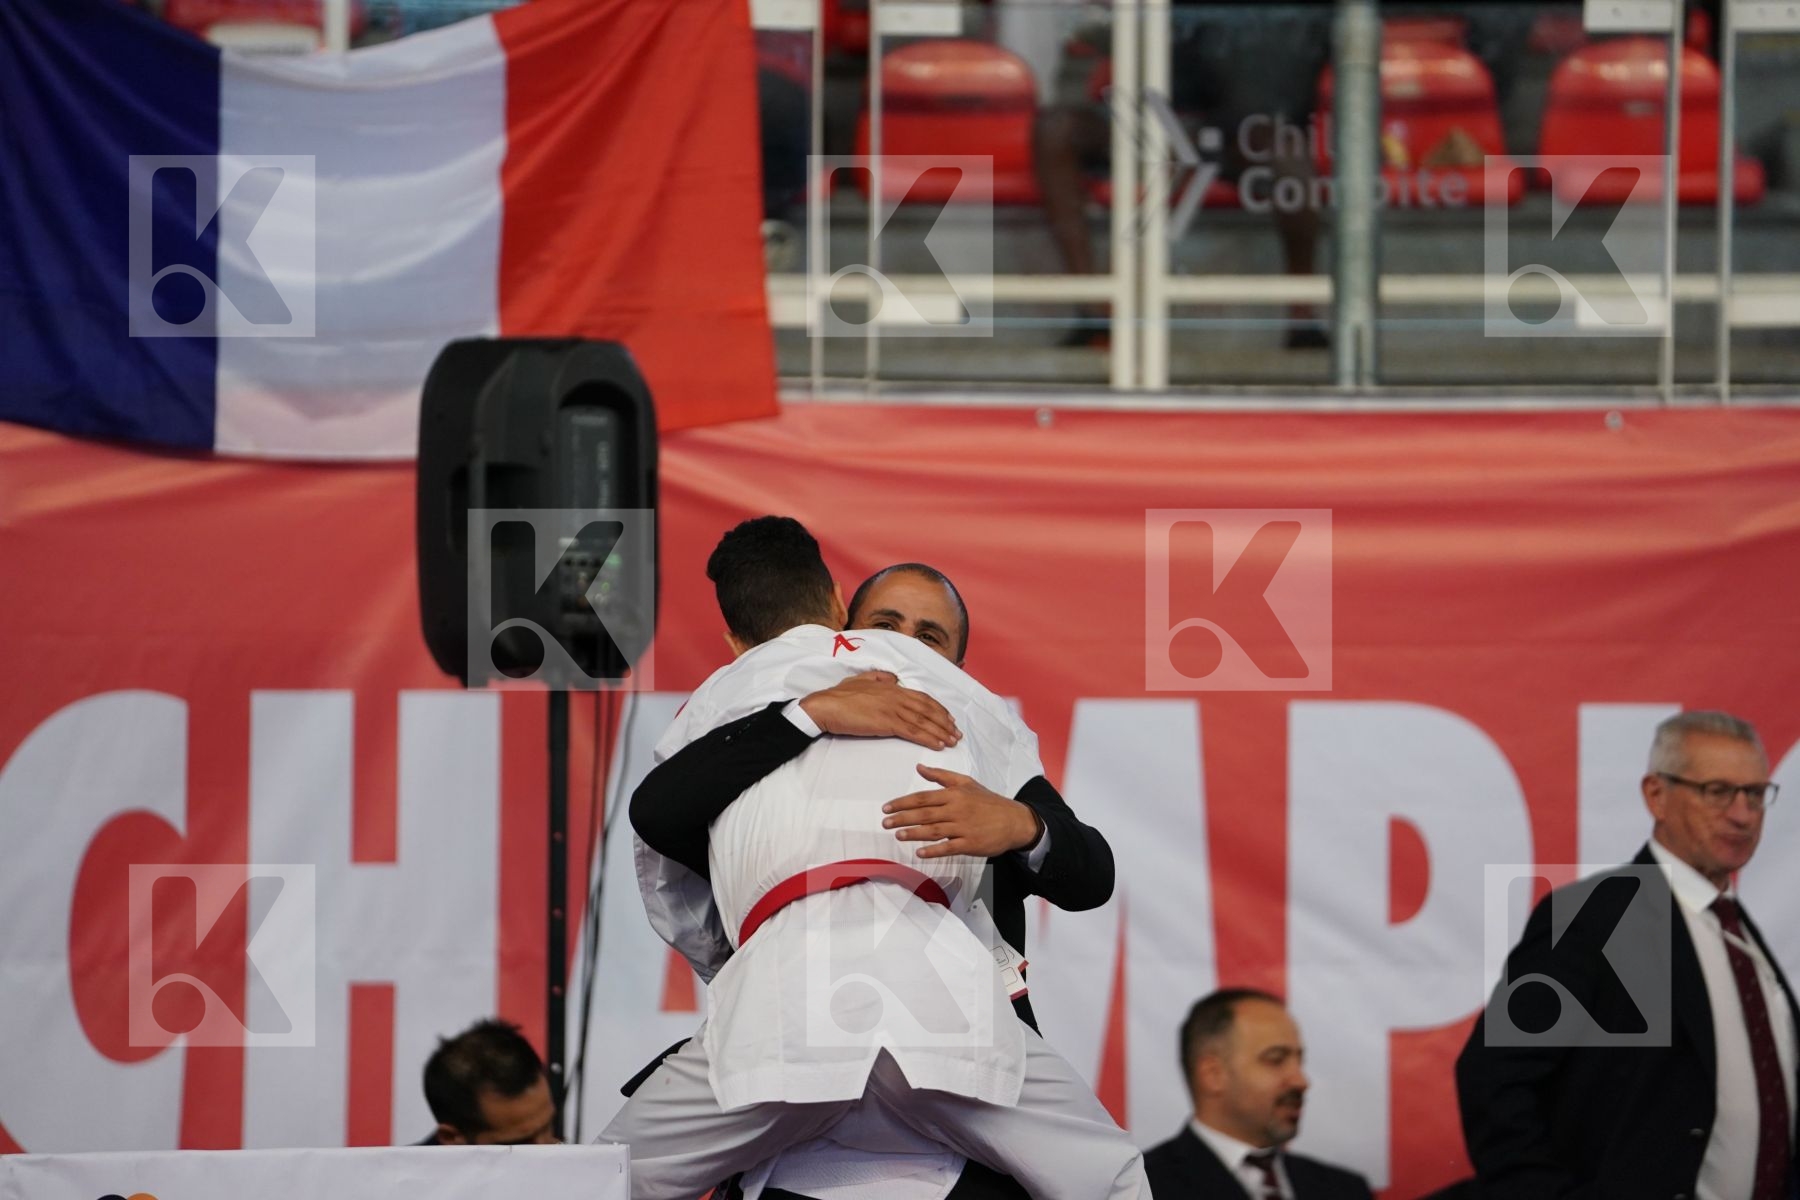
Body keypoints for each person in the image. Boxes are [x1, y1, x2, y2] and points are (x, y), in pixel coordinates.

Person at [603, 517, 1146, 1200]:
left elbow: (1092, 873)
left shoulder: (977, 737)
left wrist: (1018, 823)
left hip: (952, 1109)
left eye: (929, 637)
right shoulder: (768, 707)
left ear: (957, 673)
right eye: (884, 625)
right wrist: (809, 713)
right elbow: (662, 811)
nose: (901, 647)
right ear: (841, 627)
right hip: (795, 1104)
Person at [1456, 710, 1797, 1199]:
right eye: (1718, 791)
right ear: (1656, 795)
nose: (1743, 815)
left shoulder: (1738, 931)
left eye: (1756, 794)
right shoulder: (1601, 917)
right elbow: (1492, 1080)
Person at [1145, 989, 1373, 1199]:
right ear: (1213, 1075)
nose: (1301, 1081)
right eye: (1276, 1059)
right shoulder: (1139, 1189)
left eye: (1299, 1061)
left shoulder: (1345, 1190)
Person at [419, 1017, 561, 1146]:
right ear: (451, 1138)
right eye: (520, 1143)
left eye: (548, 1126)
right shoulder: (402, 1174)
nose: (545, 1150)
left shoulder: (574, 1168)